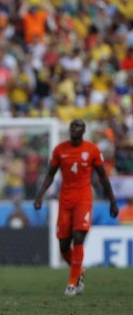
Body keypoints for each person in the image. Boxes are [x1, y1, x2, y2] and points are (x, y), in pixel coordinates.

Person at [34, 119, 118, 296]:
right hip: (65, 201)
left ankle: (72, 284)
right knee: (64, 245)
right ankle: (79, 270)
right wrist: (40, 195)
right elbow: (50, 175)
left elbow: (103, 177)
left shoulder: (92, 150)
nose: (74, 129)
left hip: (83, 199)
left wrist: (112, 201)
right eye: (72, 126)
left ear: (84, 130)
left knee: (78, 237)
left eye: (78, 126)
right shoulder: (59, 150)